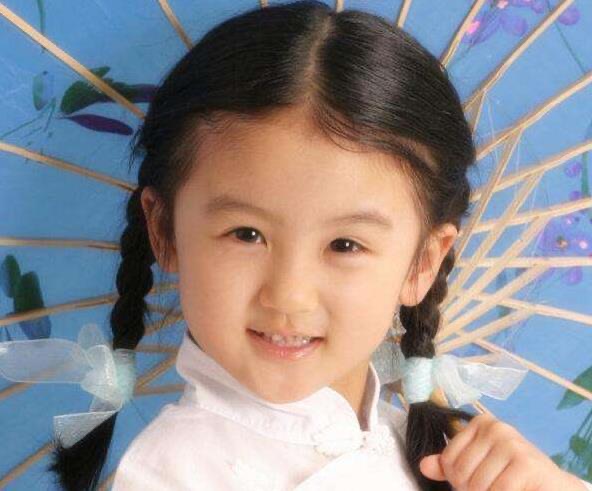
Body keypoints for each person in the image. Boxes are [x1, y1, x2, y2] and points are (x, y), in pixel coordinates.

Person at [31, 1, 592, 490]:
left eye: (345, 244)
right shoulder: (172, 473)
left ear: (424, 261)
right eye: (246, 234)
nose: (289, 295)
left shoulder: (433, 456)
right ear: (163, 230)